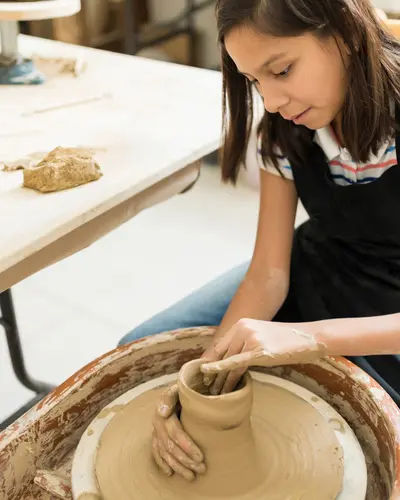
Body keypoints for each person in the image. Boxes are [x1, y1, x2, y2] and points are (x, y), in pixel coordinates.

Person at [119, 0, 400, 481]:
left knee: (385, 458)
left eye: (283, 70)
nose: (270, 101)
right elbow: (269, 273)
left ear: (347, 35)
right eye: (254, 81)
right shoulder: (284, 130)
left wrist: (310, 337)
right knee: (143, 353)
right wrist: (203, 382)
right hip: (317, 264)